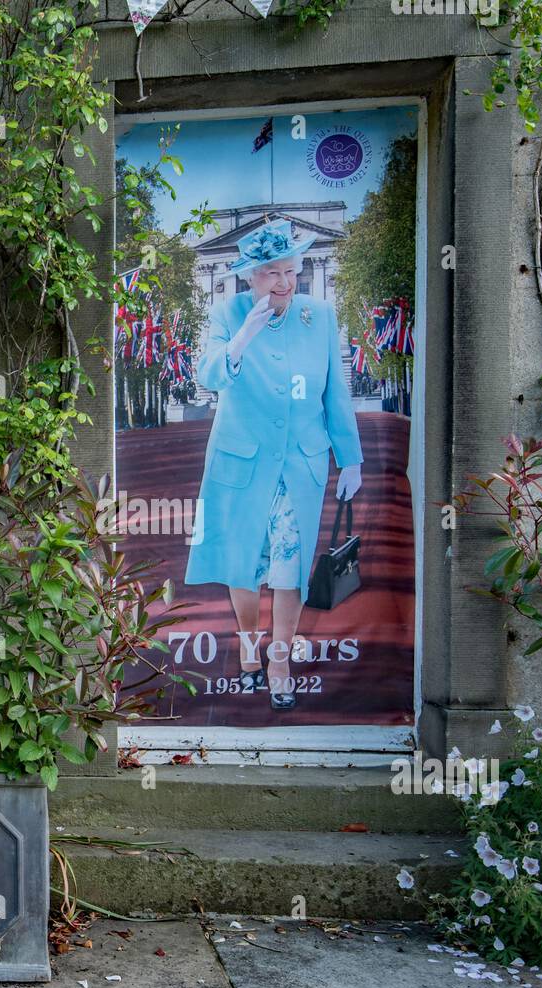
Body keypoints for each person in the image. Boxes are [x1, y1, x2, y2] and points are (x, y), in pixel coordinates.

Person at [184, 220, 363, 711]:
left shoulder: (320, 315)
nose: (285, 282)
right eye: (272, 273)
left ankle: (279, 662)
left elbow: (334, 391)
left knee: (291, 568)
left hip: (302, 463)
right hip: (242, 461)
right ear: (250, 276)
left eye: (290, 271)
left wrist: (350, 459)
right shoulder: (226, 313)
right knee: (243, 562)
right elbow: (208, 375)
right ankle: (249, 649)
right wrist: (243, 336)